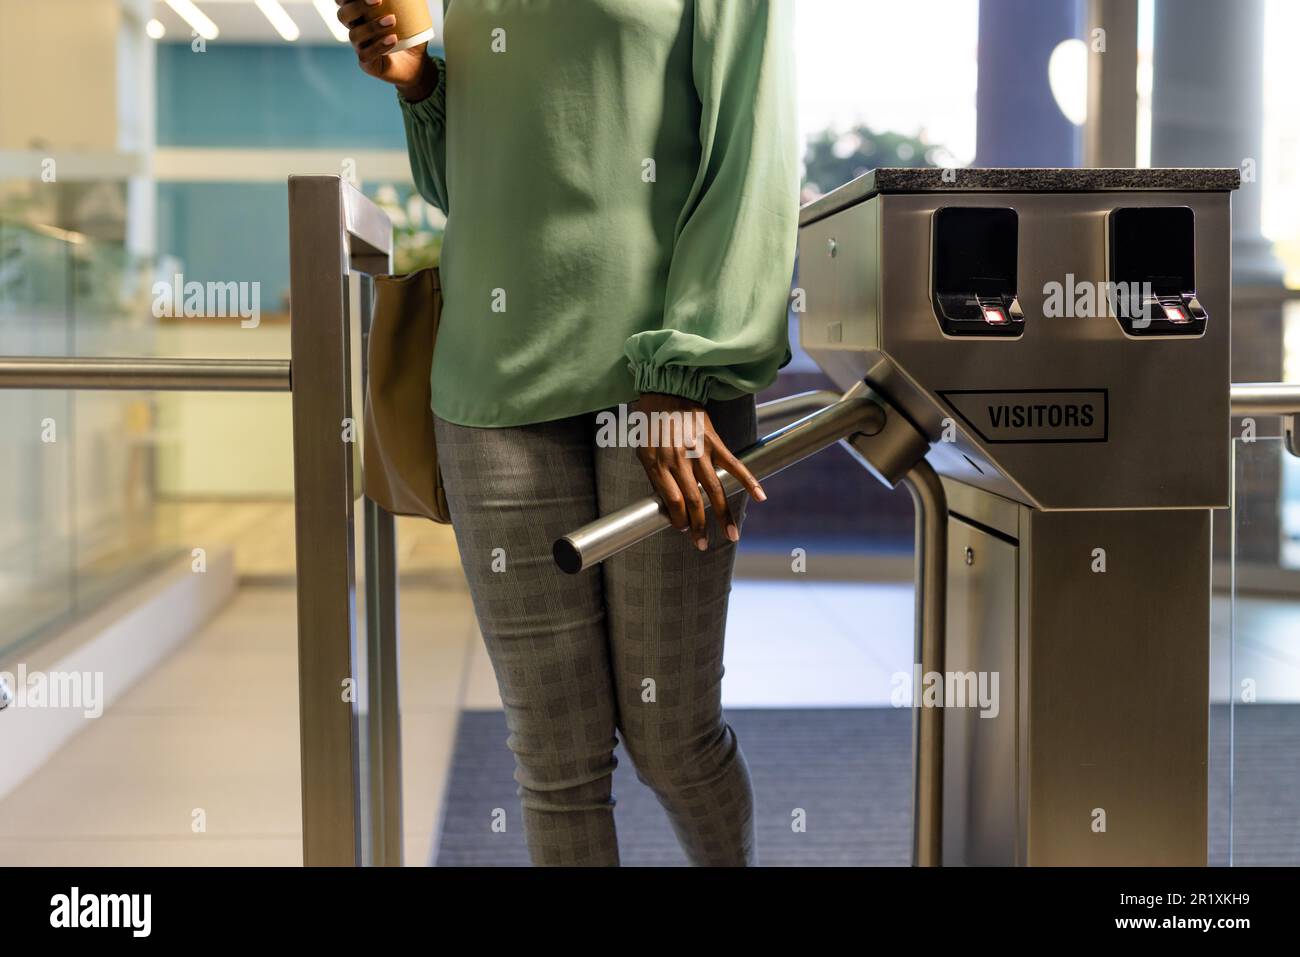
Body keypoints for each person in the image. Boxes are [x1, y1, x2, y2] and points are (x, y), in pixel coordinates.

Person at [340, 0, 798, 866]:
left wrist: (686, 370)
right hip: (492, 382)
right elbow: (463, 186)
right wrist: (422, 86)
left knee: (673, 737)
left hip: (662, 385)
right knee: (556, 758)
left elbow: (752, 153)